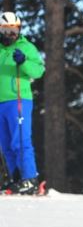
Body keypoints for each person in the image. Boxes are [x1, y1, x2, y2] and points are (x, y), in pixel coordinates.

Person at [0, 11, 45, 195]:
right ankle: (16, 179)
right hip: (0, 102)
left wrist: (24, 62)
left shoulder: (26, 47)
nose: (12, 34)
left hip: (18, 99)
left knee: (20, 140)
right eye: (7, 30)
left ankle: (30, 179)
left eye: (15, 30)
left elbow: (38, 71)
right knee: (6, 144)